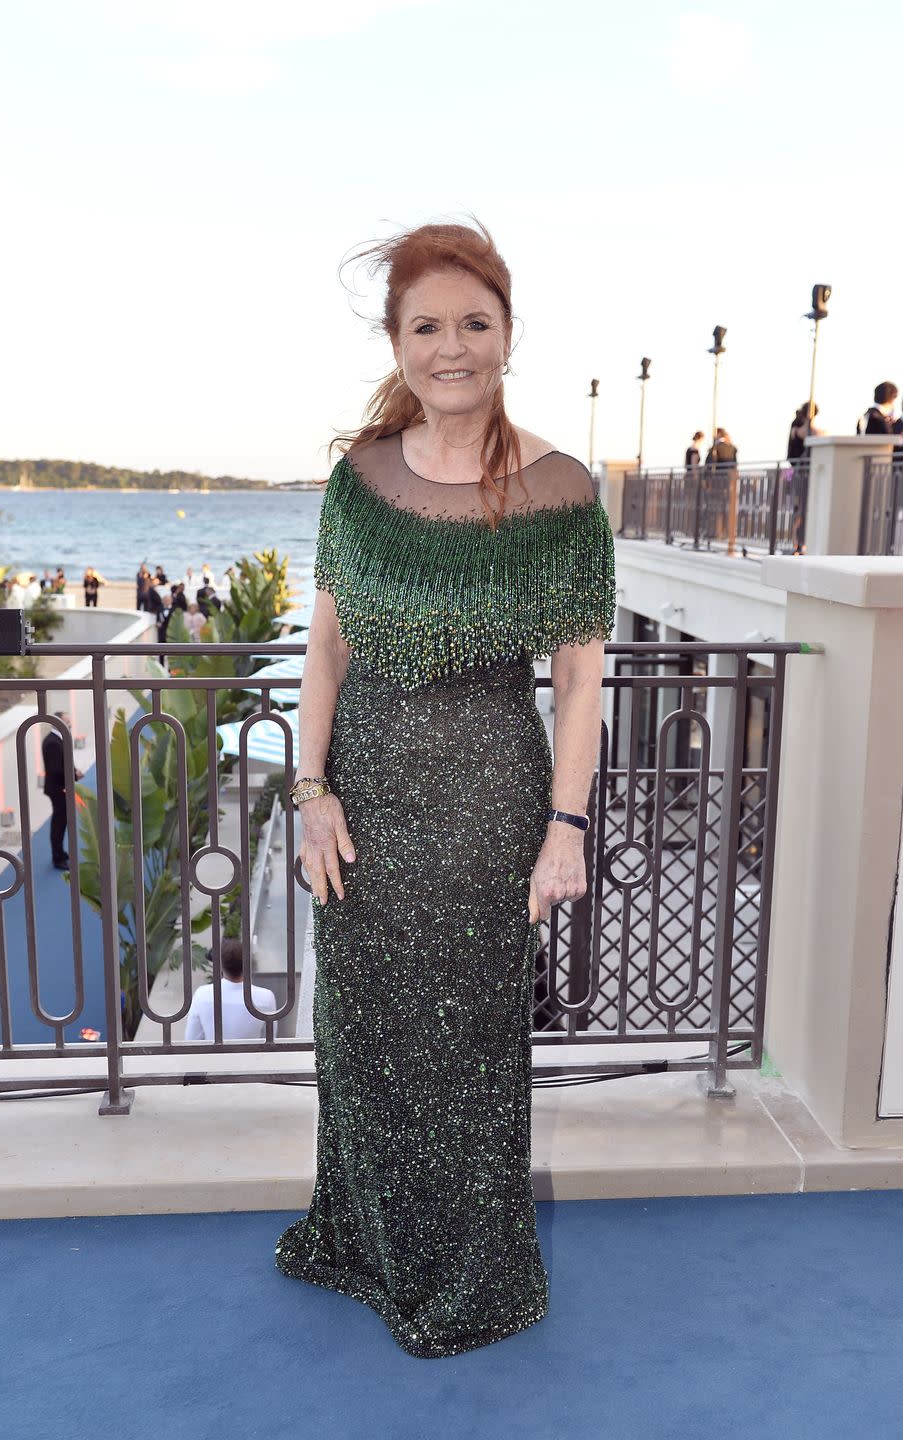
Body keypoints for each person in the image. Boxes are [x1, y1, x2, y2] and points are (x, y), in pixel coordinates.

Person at [273, 220, 616, 1359]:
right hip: (361, 806)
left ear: (507, 335)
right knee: (361, 1034)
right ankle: (361, 1243)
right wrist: (310, 787)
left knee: (469, 1047)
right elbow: (324, 650)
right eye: (427, 326)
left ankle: (470, 1274)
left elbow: (576, 681)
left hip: (487, 806)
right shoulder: (356, 483)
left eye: (474, 322)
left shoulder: (563, 493)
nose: (451, 347)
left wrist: (562, 827)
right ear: (397, 341)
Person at [183, 938, 277, 1041]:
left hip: (213, 1056)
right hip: (252, 1057)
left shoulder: (202, 995)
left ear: (220, 965)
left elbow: (192, 1039)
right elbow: (270, 1039)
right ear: (247, 963)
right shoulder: (266, 997)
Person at [41, 712, 83, 870]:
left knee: (62, 821)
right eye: (67, 722)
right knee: (59, 822)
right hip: (58, 789)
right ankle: (57, 857)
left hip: (62, 787)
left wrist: (74, 770)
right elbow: (56, 769)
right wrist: (74, 775)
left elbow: (65, 761)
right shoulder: (52, 742)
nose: (70, 724)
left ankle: (60, 852)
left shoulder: (58, 738)